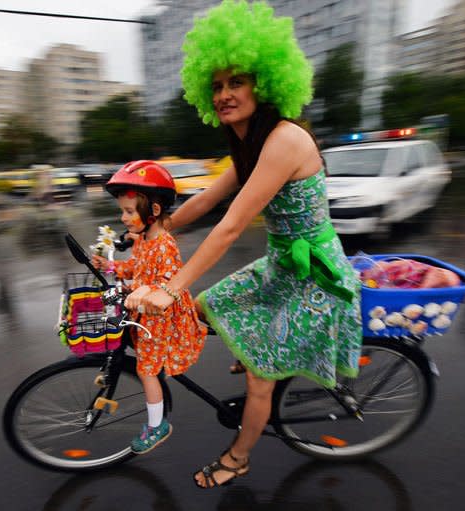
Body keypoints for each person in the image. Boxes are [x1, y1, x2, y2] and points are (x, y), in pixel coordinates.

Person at [129, 0, 362, 488]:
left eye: (236, 82)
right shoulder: (249, 144)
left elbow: (231, 226)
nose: (224, 94)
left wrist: (169, 287)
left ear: (266, 83)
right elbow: (202, 205)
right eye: (216, 86)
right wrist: (149, 229)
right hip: (282, 264)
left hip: (314, 275)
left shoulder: (282, 140)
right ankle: (258, 346)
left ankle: (239, 457)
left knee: (258, 377)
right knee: (204, 307)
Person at [91, 160, 208, 454]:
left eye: (130, 211)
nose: (124, 218)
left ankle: (158, 426)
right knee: (139, 352)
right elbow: (135, 268)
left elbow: (166, 284)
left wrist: (135, 290)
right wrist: (112, 266)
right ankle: (150, 371)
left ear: (154, 211)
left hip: (160, 317)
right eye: (123, 211)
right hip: (144, 311)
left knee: (146, 371)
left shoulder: (165, 244)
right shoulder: (144, 240)